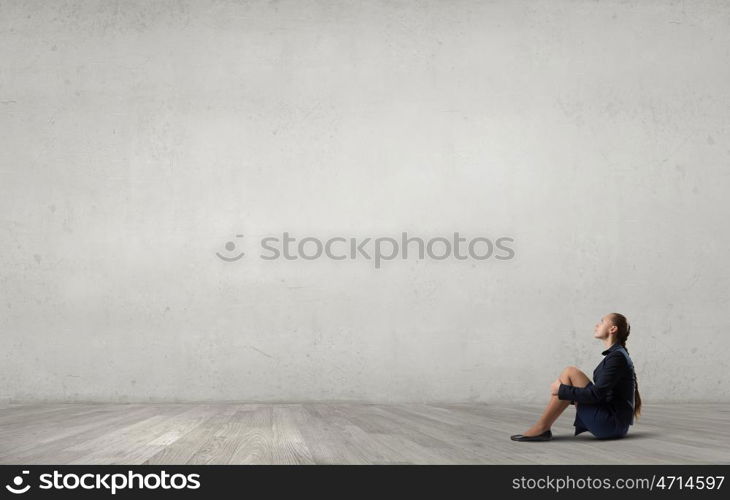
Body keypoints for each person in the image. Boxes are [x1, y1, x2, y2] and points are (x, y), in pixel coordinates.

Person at [510, 313, 642, 441]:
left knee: (570, 372)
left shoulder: (617, 357)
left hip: (611, 425)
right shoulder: (616, 354)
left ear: (613, 329)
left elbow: (596, 395)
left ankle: (541, 428)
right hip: (614, 423)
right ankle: (542, 428)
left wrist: (561, 390)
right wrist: (565, 392)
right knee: (569, 374)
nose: (597, 325)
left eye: (602, 322)